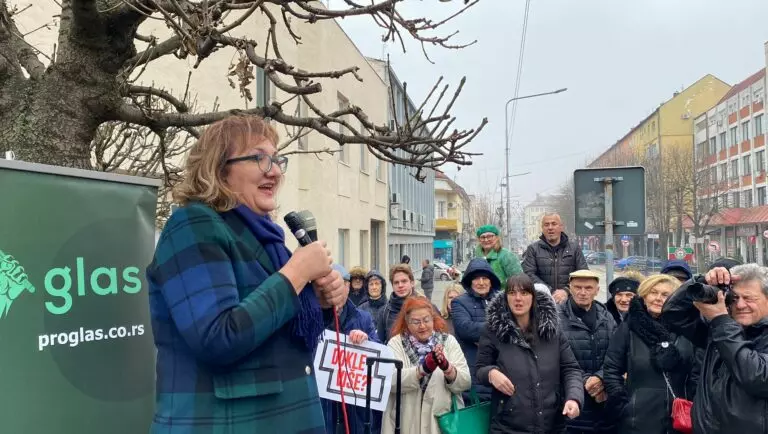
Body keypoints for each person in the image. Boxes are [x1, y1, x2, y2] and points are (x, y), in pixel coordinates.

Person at [146, 115, 347, 433]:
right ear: (218, 168)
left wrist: (319, 302)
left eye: (277, 159)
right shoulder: (192, 225)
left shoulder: (264, 237)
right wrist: (296, 273)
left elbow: (281, 336)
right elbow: (217, 337)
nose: (275, 171)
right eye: (259, 158)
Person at [661, 261, 768, 434]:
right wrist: (701, 280)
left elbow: (757, 377)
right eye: (734, 299)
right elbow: (673, 313)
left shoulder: (722, 327)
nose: (740, 305)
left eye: (749, 298)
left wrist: (721, 321)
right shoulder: (720, 329)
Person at [476, 274, 584, 434]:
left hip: (552, 424)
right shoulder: (493, 330)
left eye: (524, 293)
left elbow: (571, 369)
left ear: (533, 297)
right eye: (512, 293)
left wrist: (574, 398)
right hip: (508, 426)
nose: (518, 298)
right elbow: (480, 369)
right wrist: (491, 373)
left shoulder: (552, 330)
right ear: (506, 298)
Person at [602, 274, 698, 434]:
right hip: (637, 421)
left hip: (680, 418)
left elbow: (697, 372)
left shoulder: (687, 330)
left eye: (666, 294)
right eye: (653, 293)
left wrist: (695, 404)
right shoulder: (628, 329)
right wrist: (623, 404)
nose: (658, 298)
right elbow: (611, 369)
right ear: (644, 296)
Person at [382, 297, 471, 434]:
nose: (422, 326)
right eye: (416, 322)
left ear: (433, 319)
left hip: (442, 423)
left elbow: (465, 382)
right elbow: (389, 382)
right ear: (407, 322)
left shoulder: (448, 342)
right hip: (406, 422)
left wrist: (447, 368)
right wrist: (421, 370)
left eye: (426, 320)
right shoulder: (396, 343)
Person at [321, 264, 381, 434]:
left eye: (337, 285)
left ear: (347, 287)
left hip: (355, 408)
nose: (332, 291)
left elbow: (379, 353)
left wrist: (366, 341)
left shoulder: (363, 318)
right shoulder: (312, 317)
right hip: (325, 405)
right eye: (327, 286)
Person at [559, 270, 618, 434]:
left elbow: (616, 355)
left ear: (597, 290)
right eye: (578, 287)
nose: (583, 292)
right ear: (570, 288)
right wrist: (587, 381)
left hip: (604, 399)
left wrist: (601, 377)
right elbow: (556, 360)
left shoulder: (607, 317)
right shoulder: (556, 318)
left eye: (588, 288)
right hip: (571, 399)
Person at [451, 257, 501, 402]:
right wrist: (499, 328)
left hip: (500, 367)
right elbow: (465, 329)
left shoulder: (502, 300)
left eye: (485, 278)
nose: (481, 282)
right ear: (470, 281)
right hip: (473, 368)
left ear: (491, 280)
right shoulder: (459, 302)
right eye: (476, 278)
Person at [523, 212, 589, 304]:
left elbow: (583, 274)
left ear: (561, 227)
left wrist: (566, 291)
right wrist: (548, 291)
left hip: (570, 302)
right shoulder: (533, 249)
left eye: (554, 224)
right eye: (546, 225)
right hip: (542, 302)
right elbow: (528, 274)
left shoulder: (574, 248)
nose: (550, 227)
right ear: (542, 228)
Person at [474, 224, 523, 290]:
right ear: (479, 240)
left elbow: (519, 281)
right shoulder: (476, 257)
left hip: (502, 295)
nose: (486, 240)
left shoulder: (507, 256)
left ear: (497, 238)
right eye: (483, 237)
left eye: (490, 236)